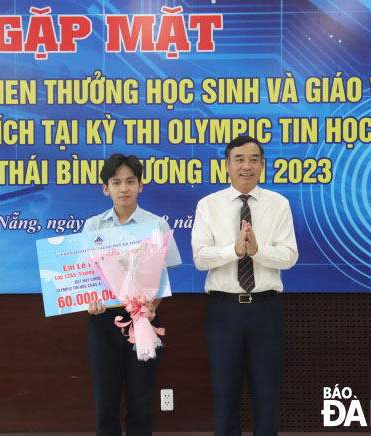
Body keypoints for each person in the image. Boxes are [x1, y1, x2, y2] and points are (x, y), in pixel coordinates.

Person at [191, 136, 298, 436]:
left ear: (263, 166)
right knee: (225, 397)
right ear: (227, 166)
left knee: (266, 396)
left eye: (254, 159)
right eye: (239, 159)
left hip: (266, 310)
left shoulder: (279, 205)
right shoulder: (208, 205)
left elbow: (289, 257)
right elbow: (200, 258)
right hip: (224, 312)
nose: (246, 166)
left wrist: (257, 251)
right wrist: (234, 251)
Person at [83, 153, 182, 436]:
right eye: (116, 182)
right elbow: (86, 278)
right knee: (105, 402)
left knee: (140, 400)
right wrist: (90, 300)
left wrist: (151, 306)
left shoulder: (156, 225)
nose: (123, 188)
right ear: (106, 188)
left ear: (141, 185)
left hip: (144, 321)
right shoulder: (93, 227)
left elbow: (165, 274)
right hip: (103, 323)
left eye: (130, 181)